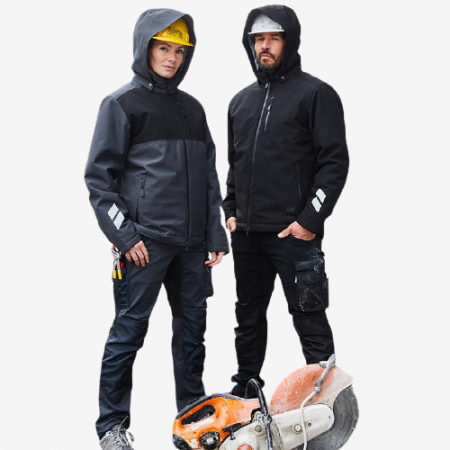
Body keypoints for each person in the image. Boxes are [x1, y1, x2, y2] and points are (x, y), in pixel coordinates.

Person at [85, 9, 228, 449]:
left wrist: (215, 235)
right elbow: (99, 181)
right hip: (145, 245)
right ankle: (112, 426)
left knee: (192, 335)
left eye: (180, 51)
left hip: (192, 247)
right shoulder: (121, 104)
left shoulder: (193, 108)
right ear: (145, 48)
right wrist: (126, 237)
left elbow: (208, 177)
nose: (172, 58)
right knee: (129, 333)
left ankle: (192, 419)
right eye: (163, 48)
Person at [223, 5, 349, 398]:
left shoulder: (316, 94)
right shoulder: (239, 102)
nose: (265, 46)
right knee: (247, 318)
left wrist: (310, 220)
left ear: (289, 42)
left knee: (309, 317)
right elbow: (235, 163)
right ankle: (247, 391)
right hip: (247, 235)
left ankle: (328, 398)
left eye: (273, 38)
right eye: (258, 39)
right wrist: (230, 210)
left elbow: (334, 163)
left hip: (294, 234)